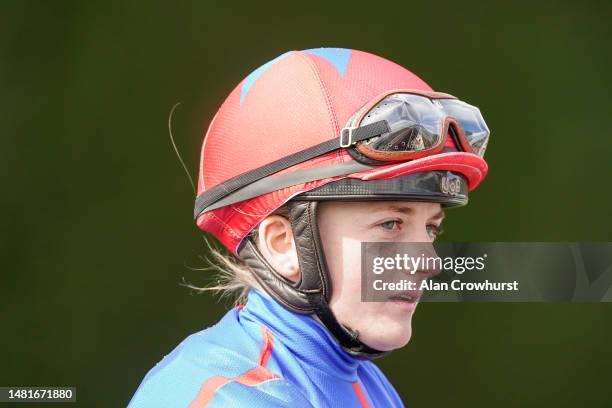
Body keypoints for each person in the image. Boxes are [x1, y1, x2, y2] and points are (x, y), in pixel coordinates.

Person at [128, 47, 490, 407]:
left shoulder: (365, 383)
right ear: (283, 243)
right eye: (391, 224)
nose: (428, 261)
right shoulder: (232, 397)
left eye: (431, 229)